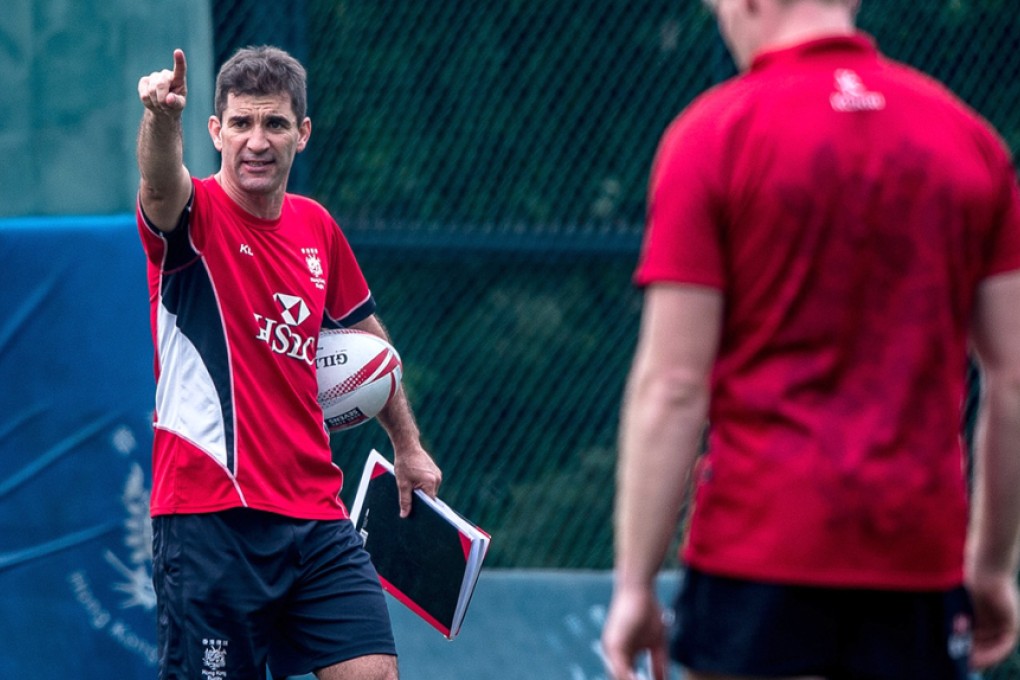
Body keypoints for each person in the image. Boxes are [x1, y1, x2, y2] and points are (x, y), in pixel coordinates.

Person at [601, 1, 1020, 679]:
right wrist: (992, 565)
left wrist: (634, 585)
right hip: (915, 558)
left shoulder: (713, 134)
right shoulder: (966, 137)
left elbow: (674, 384)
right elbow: (1013, 377)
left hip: (756, 551)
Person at [135, 46, 442, 680]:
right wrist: (162, 118)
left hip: (317, 521)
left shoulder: (316, 227)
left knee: (374, 674)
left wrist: (407, 445)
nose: (257, 141)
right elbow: (160, 184)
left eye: (274, 124)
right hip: (211, 520)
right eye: (241, 123)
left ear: (301, 134)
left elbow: (370, 344)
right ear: (215, 130)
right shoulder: (194, 216)